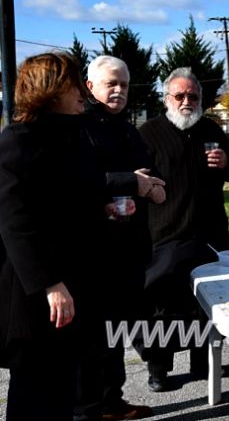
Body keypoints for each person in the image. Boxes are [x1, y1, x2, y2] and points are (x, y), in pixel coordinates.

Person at [0, 52, 108, 420]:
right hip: (39, 295)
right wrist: (50, 284)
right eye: (74, 83)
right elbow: (15, 223)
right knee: (33, 392)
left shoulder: (75, 135)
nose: (83, 91)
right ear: (50, 89)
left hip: (77, 281)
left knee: (64, 388)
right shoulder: (18, 141)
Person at [72, 55, 166, 420]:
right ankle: (87, 410)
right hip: (93, 249)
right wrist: (120, 190)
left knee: (116, 332)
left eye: (124, 85)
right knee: (90, 339)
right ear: (90, 86)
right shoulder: (80, 127)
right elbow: (80, 182)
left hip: (129, 246)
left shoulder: (127, 127)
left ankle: (113, 401)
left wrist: (156, 185)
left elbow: (147, 168)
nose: (118, 90)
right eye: (111, 83)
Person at [138, 67, 229, 392]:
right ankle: (158, 368)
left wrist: (226, 161)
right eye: (179, 96)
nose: (186, 101)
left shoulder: (210, 128)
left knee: (208, 302)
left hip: (209, 234)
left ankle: (204, 363)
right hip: (164, 234)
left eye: (192, 96)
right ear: (167, 98)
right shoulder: (149, 132)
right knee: (161, 307)